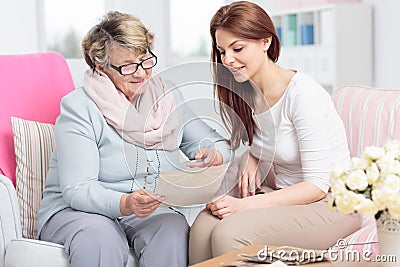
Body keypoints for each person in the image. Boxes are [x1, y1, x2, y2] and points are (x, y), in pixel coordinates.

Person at [37, 11, 231, 267]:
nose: (141, 73)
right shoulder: (79, 107)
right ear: (100, 64)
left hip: (144, 210)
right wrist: (126, 203)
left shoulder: (167, 97)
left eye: (145, 61)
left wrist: (212, 153)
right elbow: (78, 189)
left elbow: (217, 143)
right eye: (127, 65)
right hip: (79, 211)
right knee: (102, 237)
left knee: (171, 227)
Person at [188, 1, 362, 264]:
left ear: (265, 42)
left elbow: (316, 186)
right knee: (203, 225)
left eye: (238, 49)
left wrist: (243, 206)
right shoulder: (247, 92)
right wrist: (253, 156)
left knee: (229, 232)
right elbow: (272, 138)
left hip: (332, 205)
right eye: (222, 51)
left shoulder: (303, 93)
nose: (228, 60)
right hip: (287, 200)